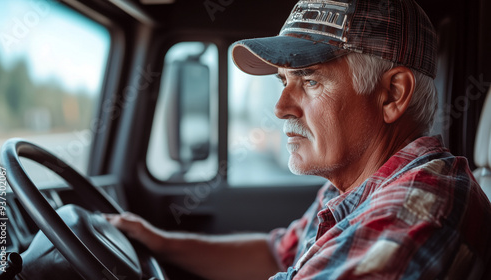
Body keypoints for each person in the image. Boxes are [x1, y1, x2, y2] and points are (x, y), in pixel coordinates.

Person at [105, 0, 491, 279]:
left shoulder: (412, 212)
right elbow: (277, 255)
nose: (280, 107)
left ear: (391, 95)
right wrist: (158, 242)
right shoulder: (358, 184)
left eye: (310, 80)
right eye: (283, 80)